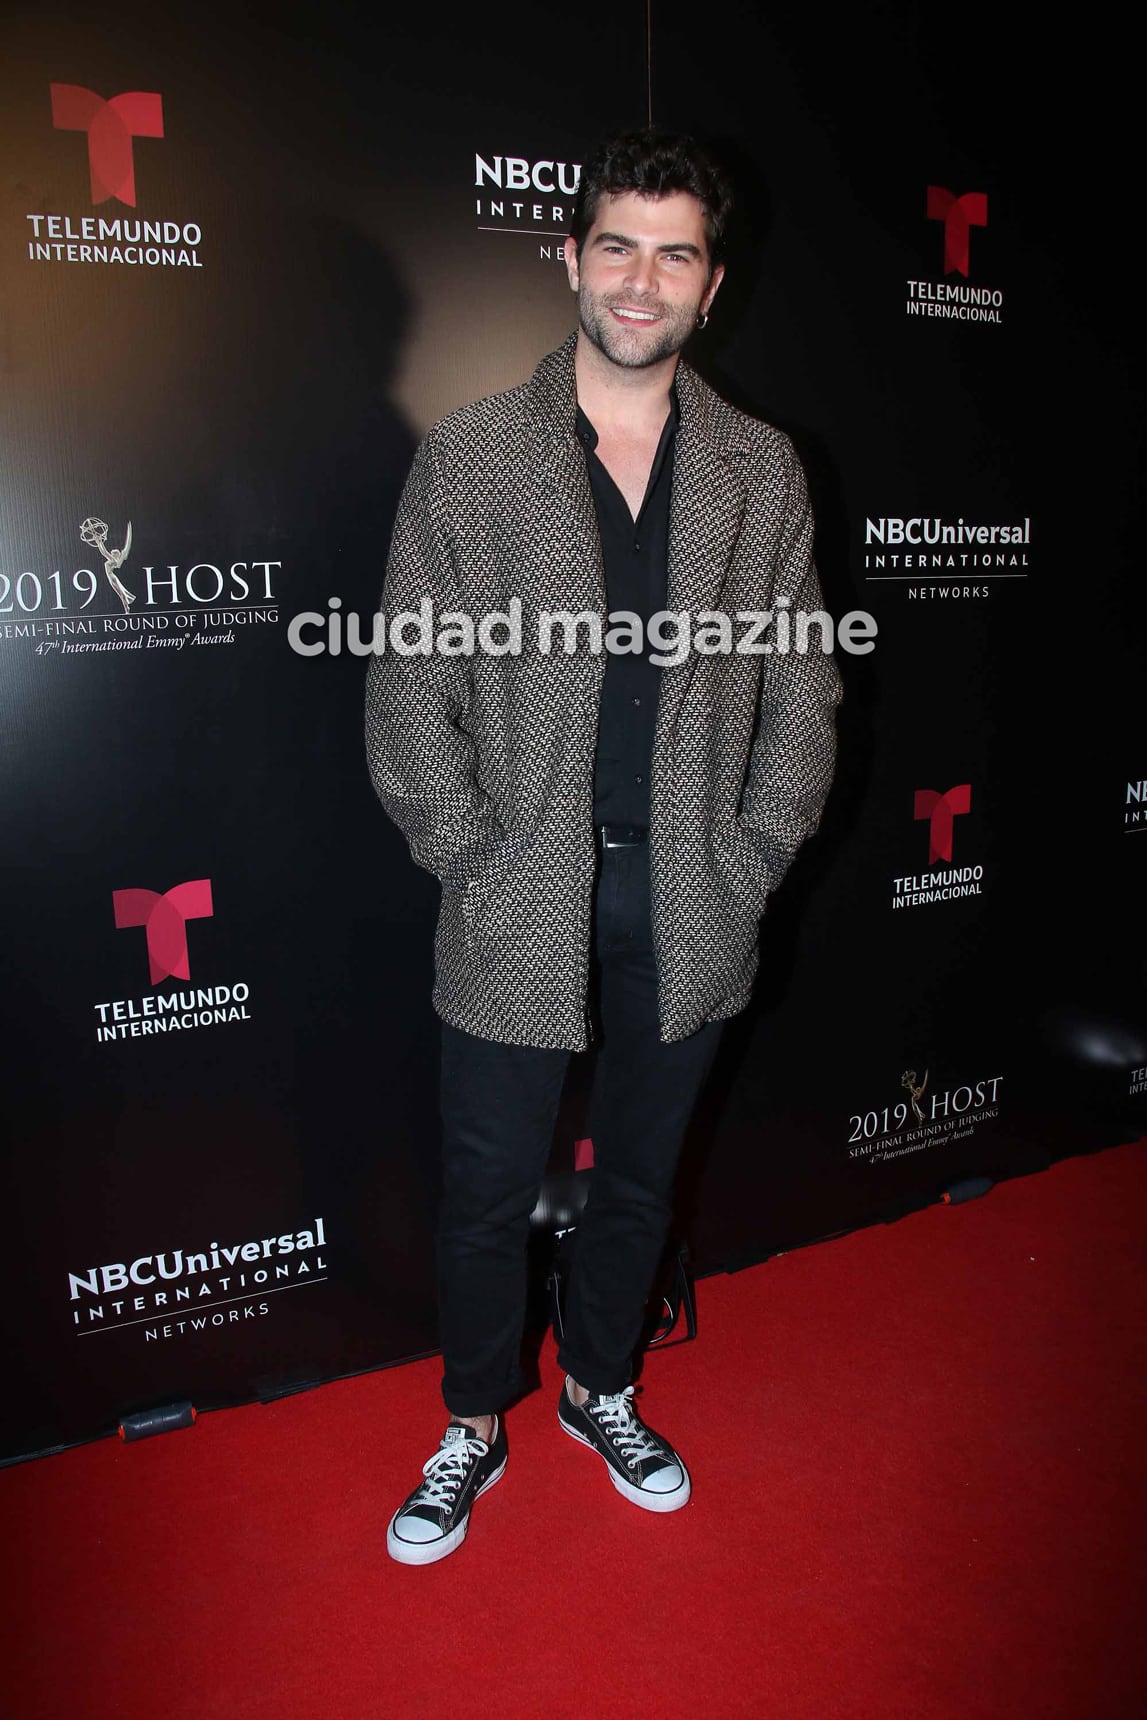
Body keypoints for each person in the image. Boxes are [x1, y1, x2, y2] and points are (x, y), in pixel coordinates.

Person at [365, 129, 841, 1565]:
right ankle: (468, 1422)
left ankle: (602, 1386)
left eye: (675, 253)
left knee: (640, 1177)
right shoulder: (473, 457)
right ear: (570, 259)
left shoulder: (761, 472)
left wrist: (754, 854)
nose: (643, 281)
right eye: (617, 246)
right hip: (519, 900)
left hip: (691, 900)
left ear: (712, 284)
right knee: (486, 1190)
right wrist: (471, 850)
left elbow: (806, 685)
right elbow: (406, 682)